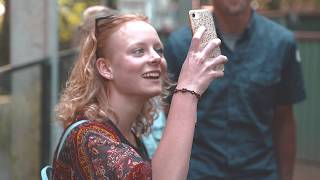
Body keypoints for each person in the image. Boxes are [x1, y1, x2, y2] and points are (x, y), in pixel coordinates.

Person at [52, 10, 227, 179]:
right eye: (138, 51)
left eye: (158, 50)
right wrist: (188, 90)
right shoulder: (88, 137)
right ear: (105, 68)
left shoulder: (130, 133)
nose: (156, 58)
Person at [164, 0, 306, 180]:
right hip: (198, 170)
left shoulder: (281, 43)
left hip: (260, 170)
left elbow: (285, 119)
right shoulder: (181, 44)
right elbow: (167, 117)